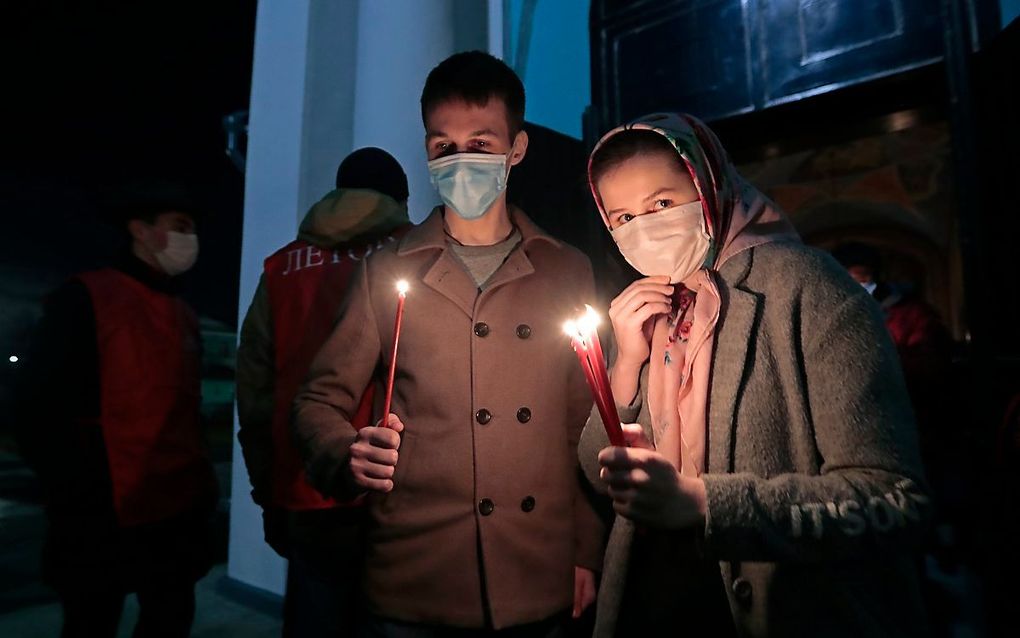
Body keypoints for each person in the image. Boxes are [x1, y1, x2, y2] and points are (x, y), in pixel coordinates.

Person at [578, 113, 932, 637]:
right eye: (623, 217)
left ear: (708, 184)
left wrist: (704, 504)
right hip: (657, 599)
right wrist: (626, 366)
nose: (644, 228)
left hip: (788, 606)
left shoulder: (809, 288)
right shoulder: (647, 308)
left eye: (662, 204)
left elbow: (893, 497)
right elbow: (594, 470)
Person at [293, 51, 602, 636]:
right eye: (443, 146)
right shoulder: (387, 270)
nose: (461, 161)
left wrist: (589, 547)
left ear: (517, 149)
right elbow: (317, 400)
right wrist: (345, 450)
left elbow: (583, 423)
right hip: (417, 573)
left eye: (481, 144)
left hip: (539, 568)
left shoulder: (566, 270)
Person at [16, 181, 217, 638]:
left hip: (175, 509)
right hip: (101, 512)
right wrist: (73, 486)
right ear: (140, 231)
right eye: (179, 227)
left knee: (169, 618)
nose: (191, 240)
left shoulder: (182, 312)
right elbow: (35, 404)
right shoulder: (87, 297)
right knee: (91, 621)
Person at [237, 147, 412, 637]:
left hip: (304, 485)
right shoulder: (415, 258)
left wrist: (266, 486)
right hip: (396, 488)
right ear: (400, 199)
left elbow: (254, 387)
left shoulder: (282, 269)